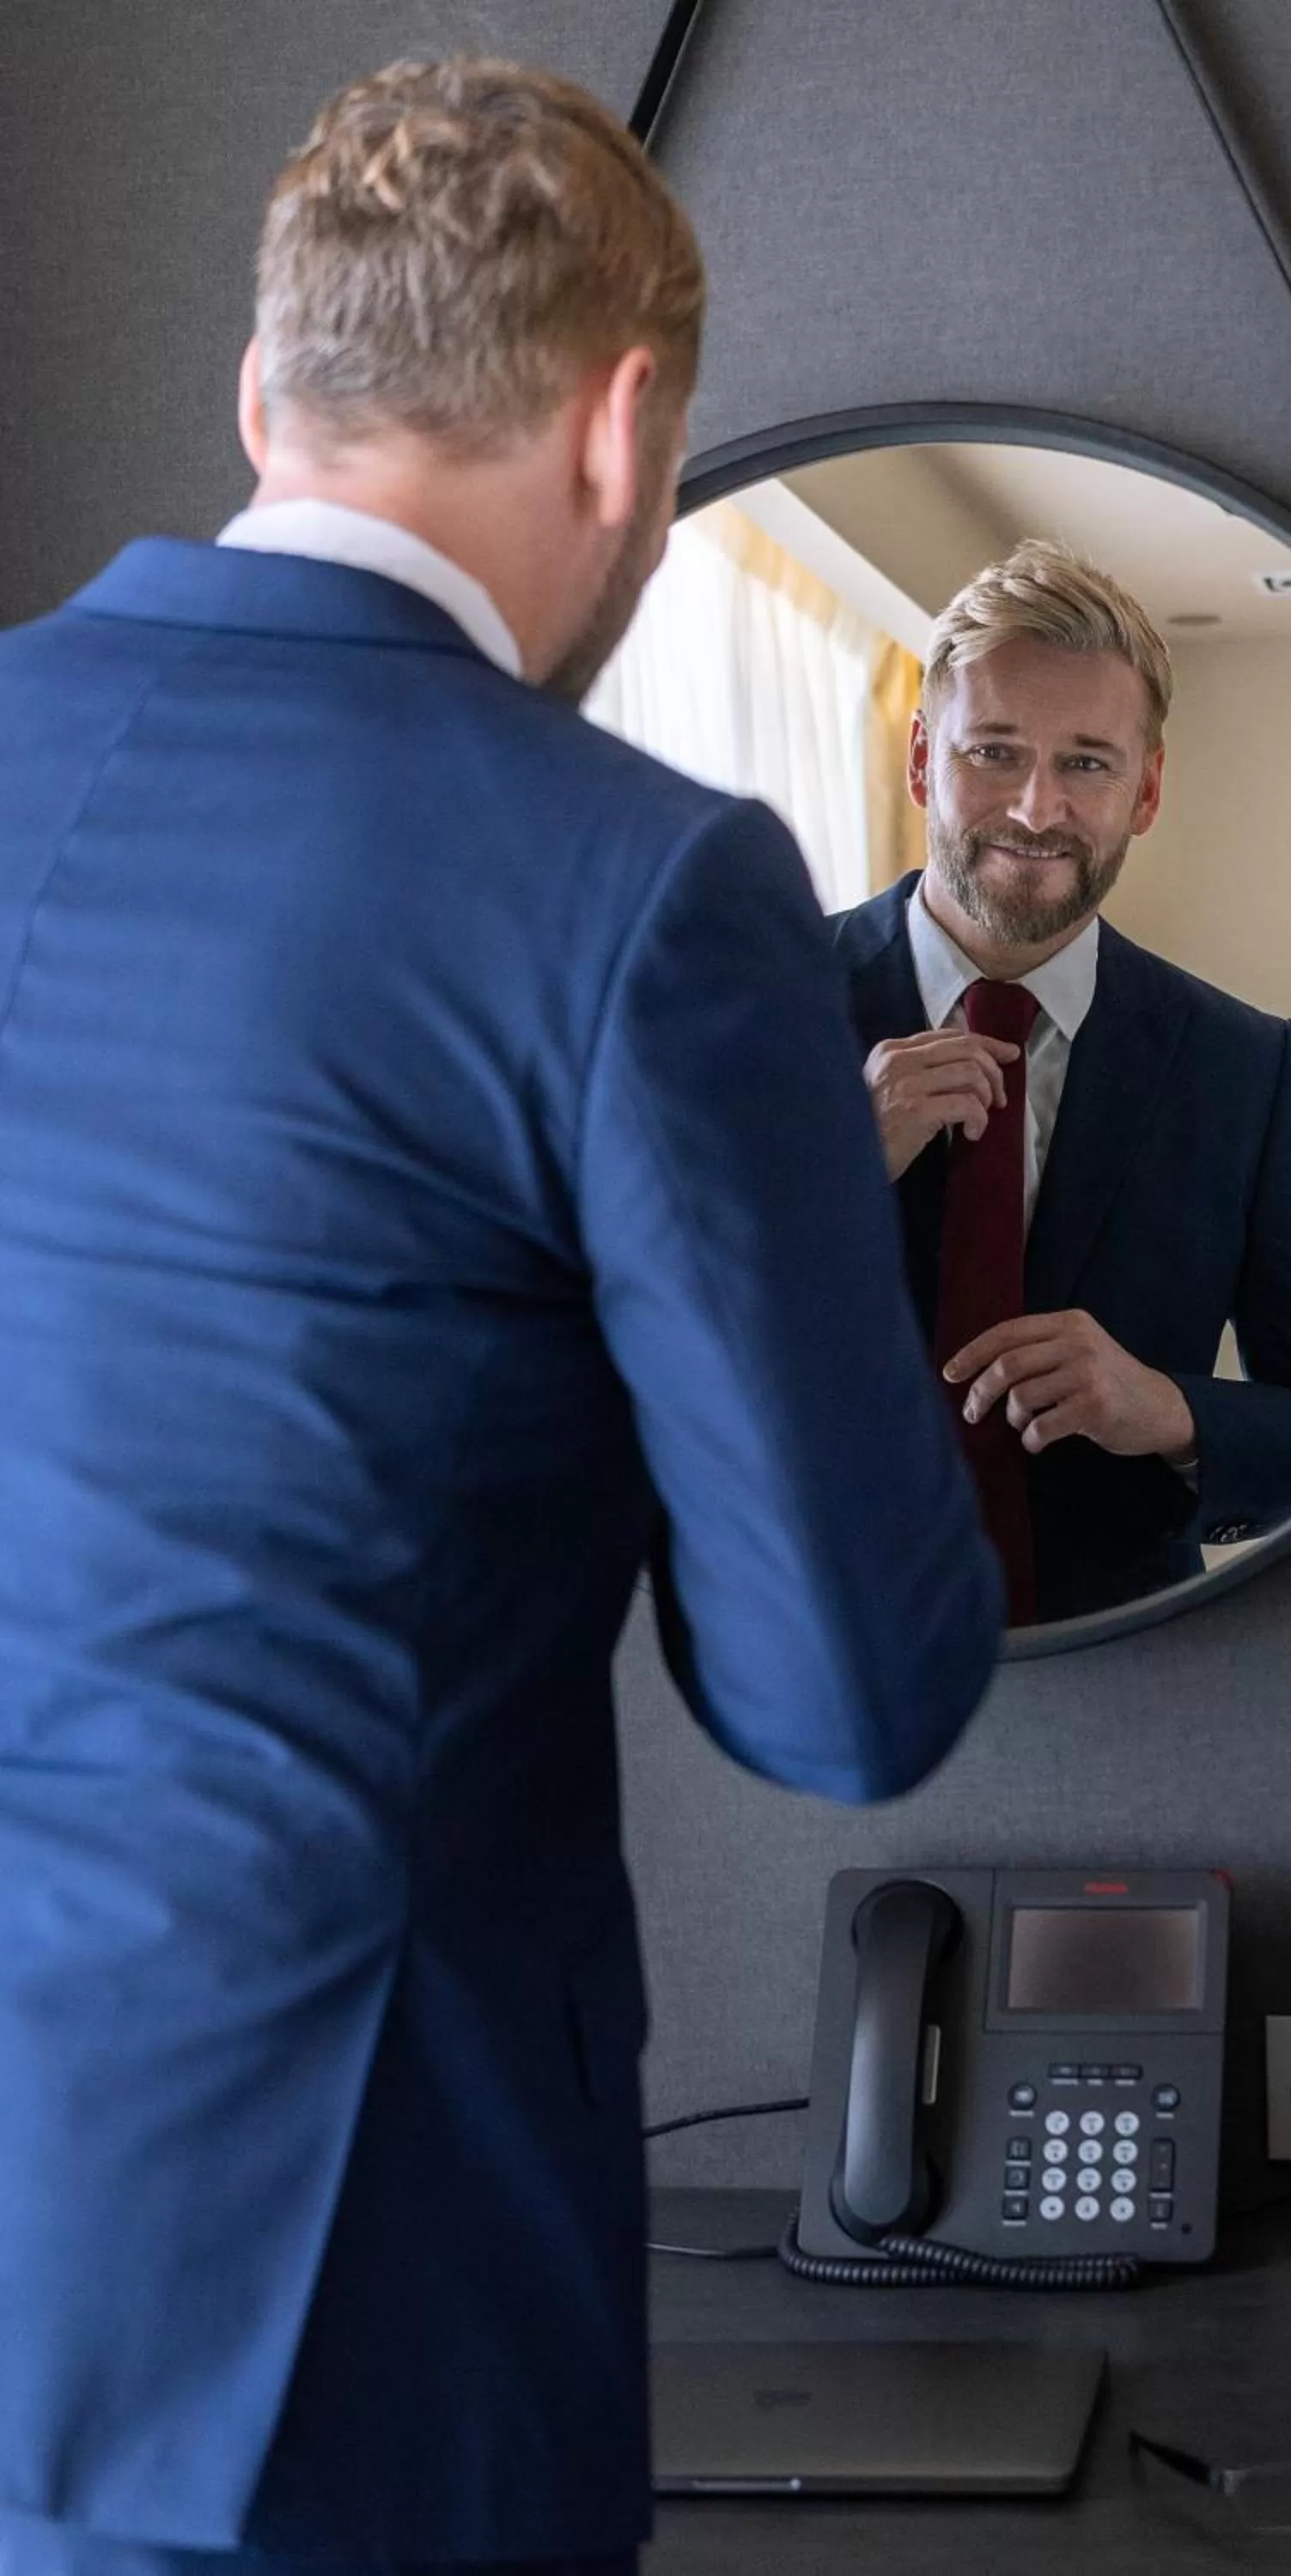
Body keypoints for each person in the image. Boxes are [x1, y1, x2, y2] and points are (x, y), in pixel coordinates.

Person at [0, 58, 1002, 2576]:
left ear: (264, 392)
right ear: (626, 421)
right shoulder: (646, 888)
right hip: (328, 2301)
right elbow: (841, 1695)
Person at [832, 539, 1291, 1625]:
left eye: (1087, 762)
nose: (1038, 808)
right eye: (994, 752)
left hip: (1126, 1690)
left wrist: (1172, 1413)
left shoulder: (1244, 1069)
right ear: (922, 762)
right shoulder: (733, 1012)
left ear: (1146, 790)